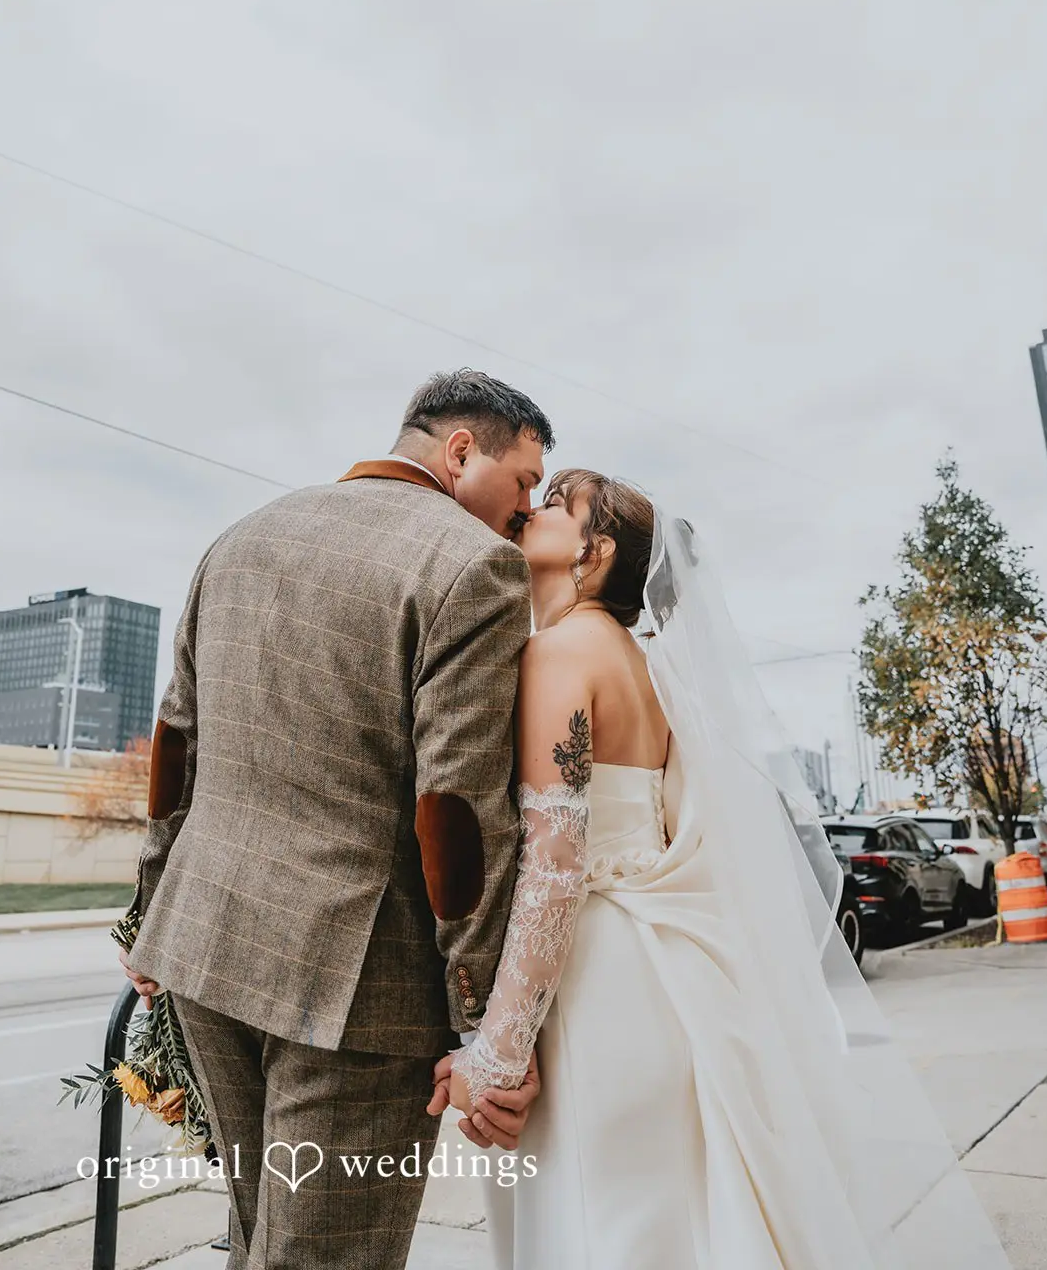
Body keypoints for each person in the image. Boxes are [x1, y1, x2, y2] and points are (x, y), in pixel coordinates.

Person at [429, 469, 1014, 1270]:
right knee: (667, 1219)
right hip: (667, 974)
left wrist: (495, 1049)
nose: (532, 508)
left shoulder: (558, 652)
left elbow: (556, 868)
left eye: (557, 503)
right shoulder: (645, 670)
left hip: (593, 978)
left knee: (599, 1221)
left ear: (592, 552)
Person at [117, 369, 553, 1270]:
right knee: (326, 1258)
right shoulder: (472, 566)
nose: (525, 510)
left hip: (205, 947)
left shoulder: (239, 537)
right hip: (357, 989)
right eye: (524, 482)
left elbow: (175, 749)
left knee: (256, 1232)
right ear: (461, 448)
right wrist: (481, 1014)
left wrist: (148, 913)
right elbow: (457, 810)